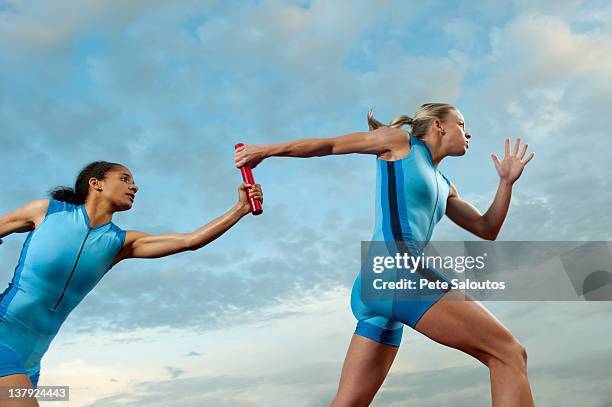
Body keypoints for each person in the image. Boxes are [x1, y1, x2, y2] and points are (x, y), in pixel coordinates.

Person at [234, 103, 535, 406]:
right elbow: (331, 144)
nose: (468, 132)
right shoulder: (400, 143)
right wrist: (265, 150)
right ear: (439, 126)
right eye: (461, 123)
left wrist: (506, 184)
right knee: (509, 354)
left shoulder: (446, 186)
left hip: (379, 282)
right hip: (398, 269)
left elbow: (486, 227)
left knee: (348, 402)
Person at [0, 161, 262, 406]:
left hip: (32, 359)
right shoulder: (47, 211)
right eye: (125, 179)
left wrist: (239, 209)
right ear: (96, 183)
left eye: (133, 182)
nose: (134, 186)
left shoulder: (121, 243)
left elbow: (190, 241)